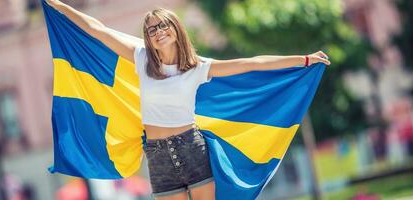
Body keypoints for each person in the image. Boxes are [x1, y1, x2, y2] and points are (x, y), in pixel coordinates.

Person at [45, 0, 331, 199]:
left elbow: (251, 63)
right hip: (156, 154)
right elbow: (97, 29)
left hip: (192, 149)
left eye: (163, 26)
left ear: (175, 28)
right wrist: (56, 4)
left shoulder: (196, 68)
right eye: (152, 29)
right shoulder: (141, 57)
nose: (158, 32)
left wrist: (304, 59)